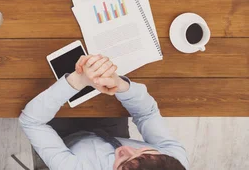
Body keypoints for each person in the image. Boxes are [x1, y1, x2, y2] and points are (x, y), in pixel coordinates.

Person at [19, 54, 189, 170]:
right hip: (110, 131)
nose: (125, 149)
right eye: (144, 150)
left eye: (122, 163)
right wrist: (120, 84)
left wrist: (77, 81)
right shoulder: (173, 159)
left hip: (63, 140)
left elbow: (31, 121)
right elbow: (147, 113)